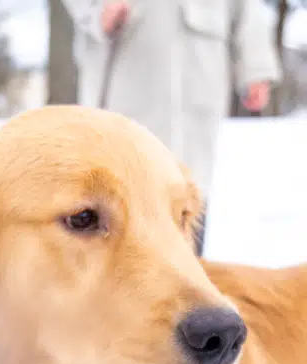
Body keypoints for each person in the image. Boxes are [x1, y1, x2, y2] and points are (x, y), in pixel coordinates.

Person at [61, 0, 282, 255]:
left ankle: (189, 267)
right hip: (127, 60)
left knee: (192, 186)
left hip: (200, 69)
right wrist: (95, 11)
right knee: (120, 180)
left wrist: (255, 66)